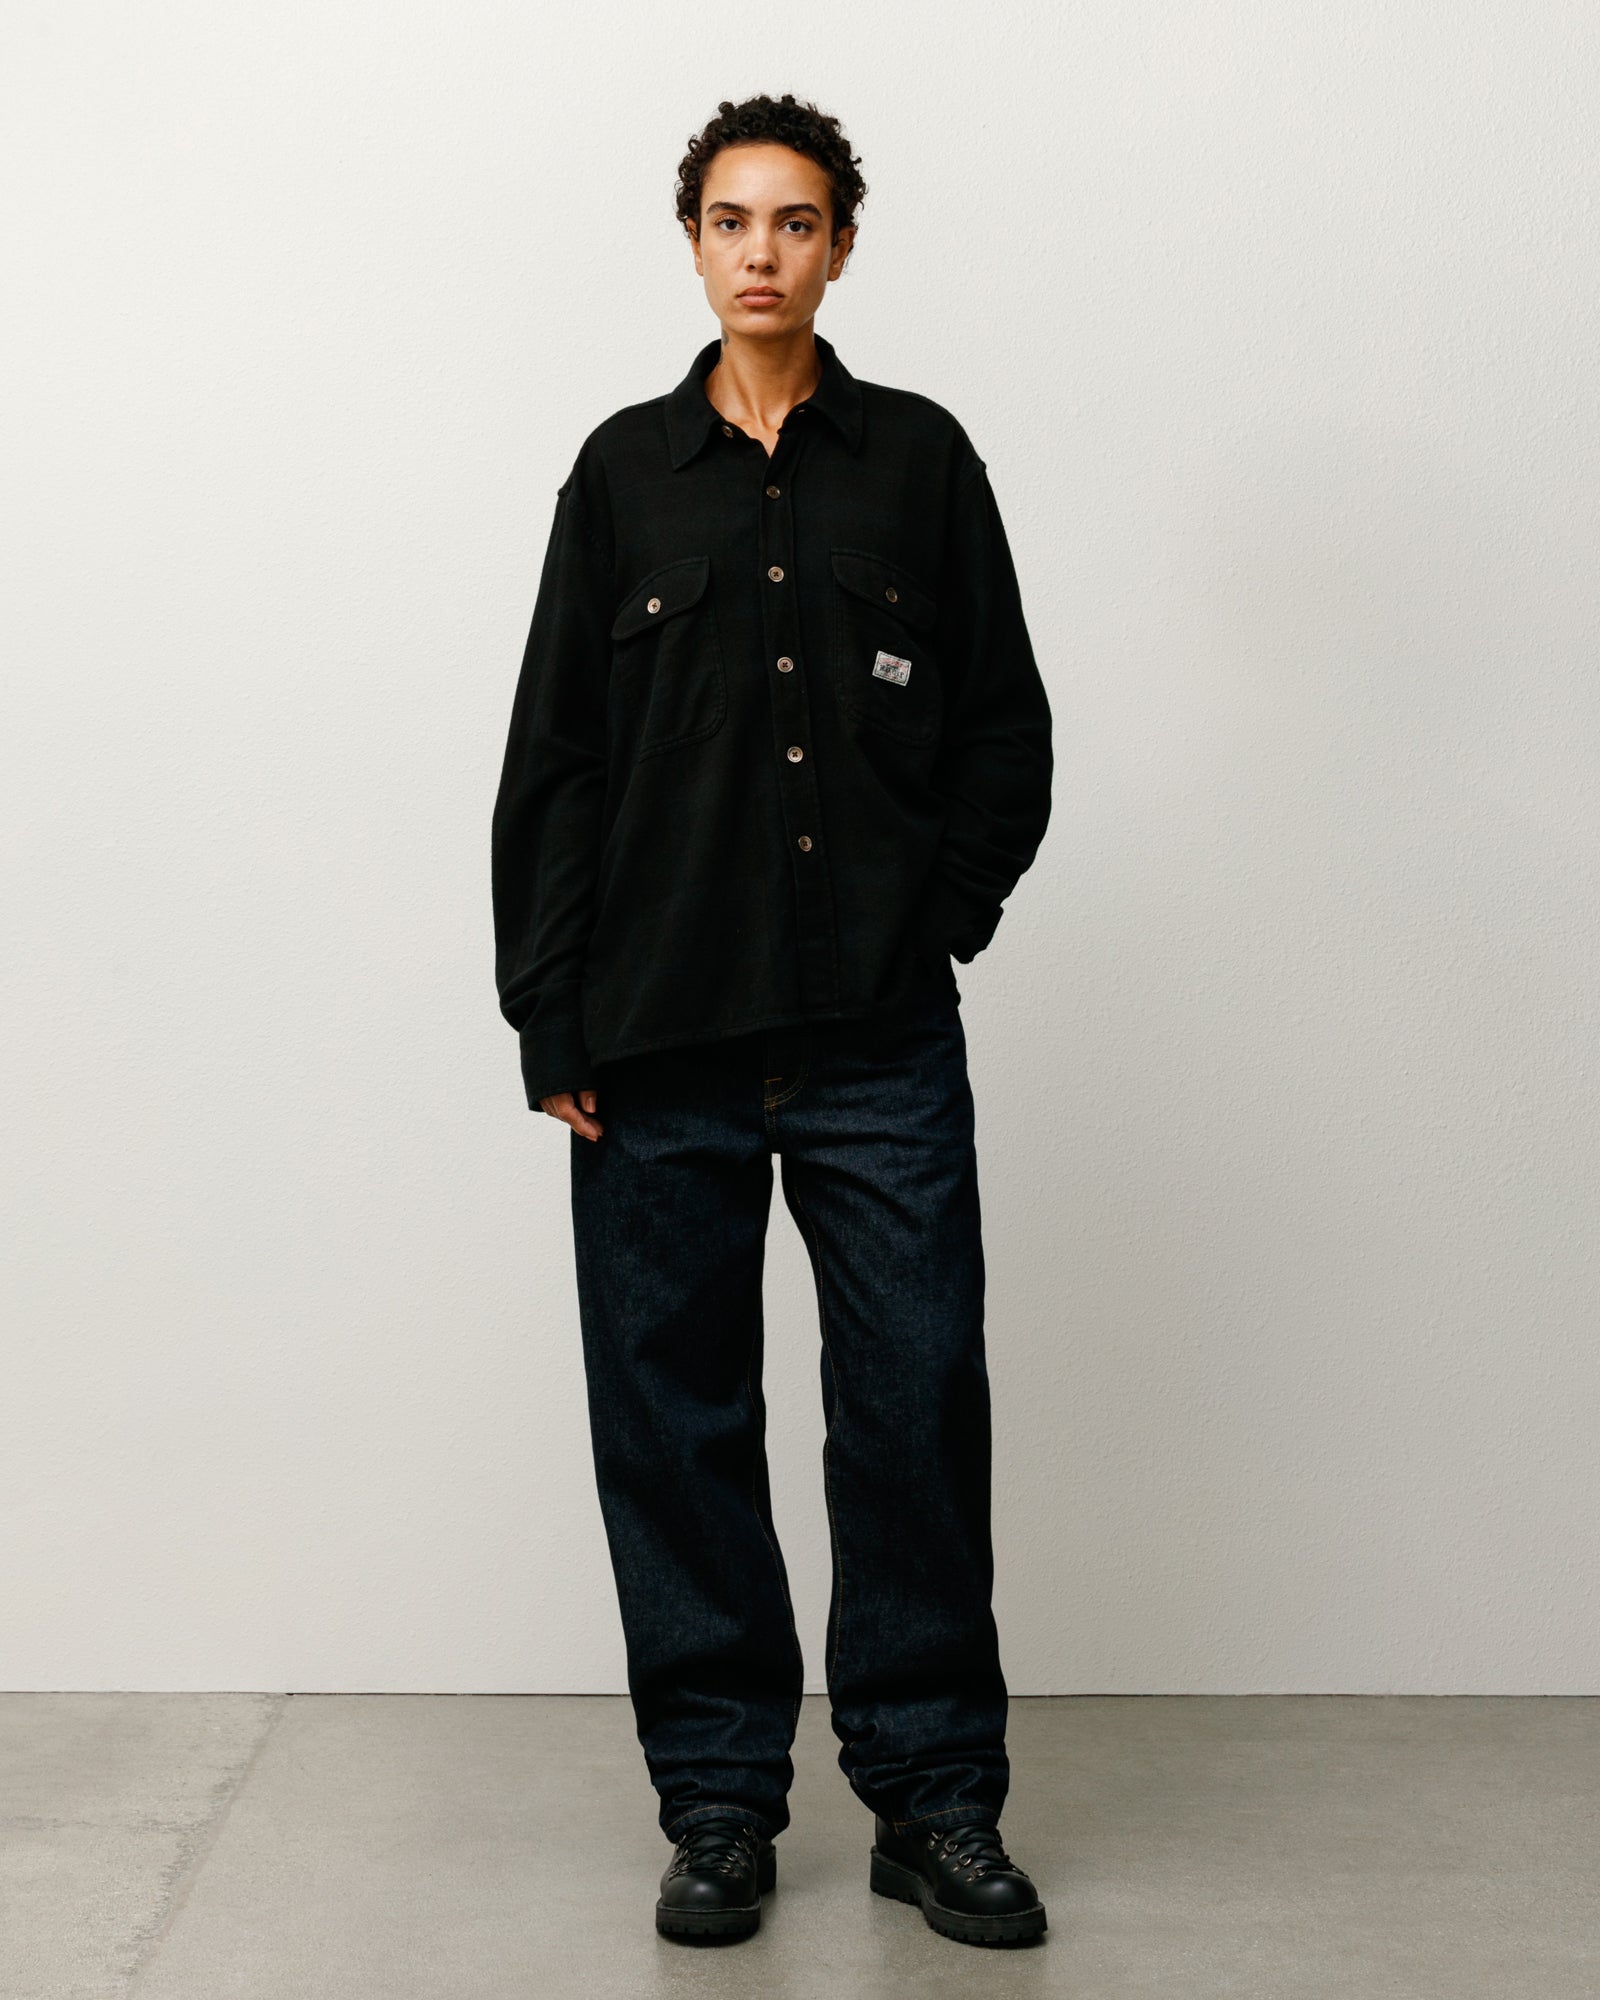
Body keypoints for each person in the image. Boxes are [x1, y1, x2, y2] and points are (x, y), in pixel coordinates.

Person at [491, 91, 1053, 1949]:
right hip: (656, 1045)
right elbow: (558, 763)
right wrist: (548, 1015)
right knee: (674, 1426)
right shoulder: (620, 476)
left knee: (916, 1405)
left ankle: (935, 1800)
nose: (762, 252)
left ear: (841, 247)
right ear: (692, 243)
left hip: (880, 1040)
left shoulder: (922, 463)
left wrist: (933, 919)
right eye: (732, 221)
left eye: (796, 222)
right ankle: (722, 1805)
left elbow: (1005, 733)